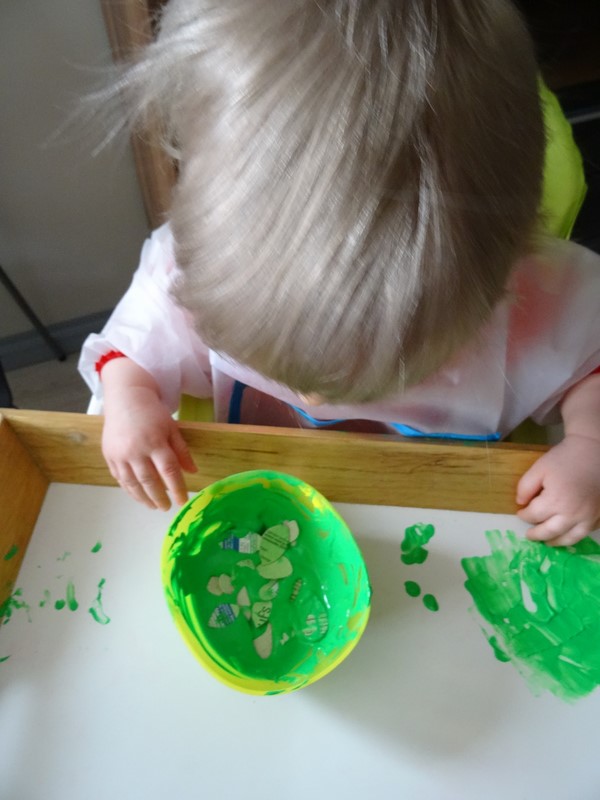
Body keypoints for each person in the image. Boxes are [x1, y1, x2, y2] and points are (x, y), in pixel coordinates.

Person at [79, 0, 600, 547]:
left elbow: (589, 363)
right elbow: (130, 350)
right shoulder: (200, 272)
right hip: (266, 508)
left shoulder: (537, 291)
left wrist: (589, 447)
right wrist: (130, 401)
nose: (314, 402)